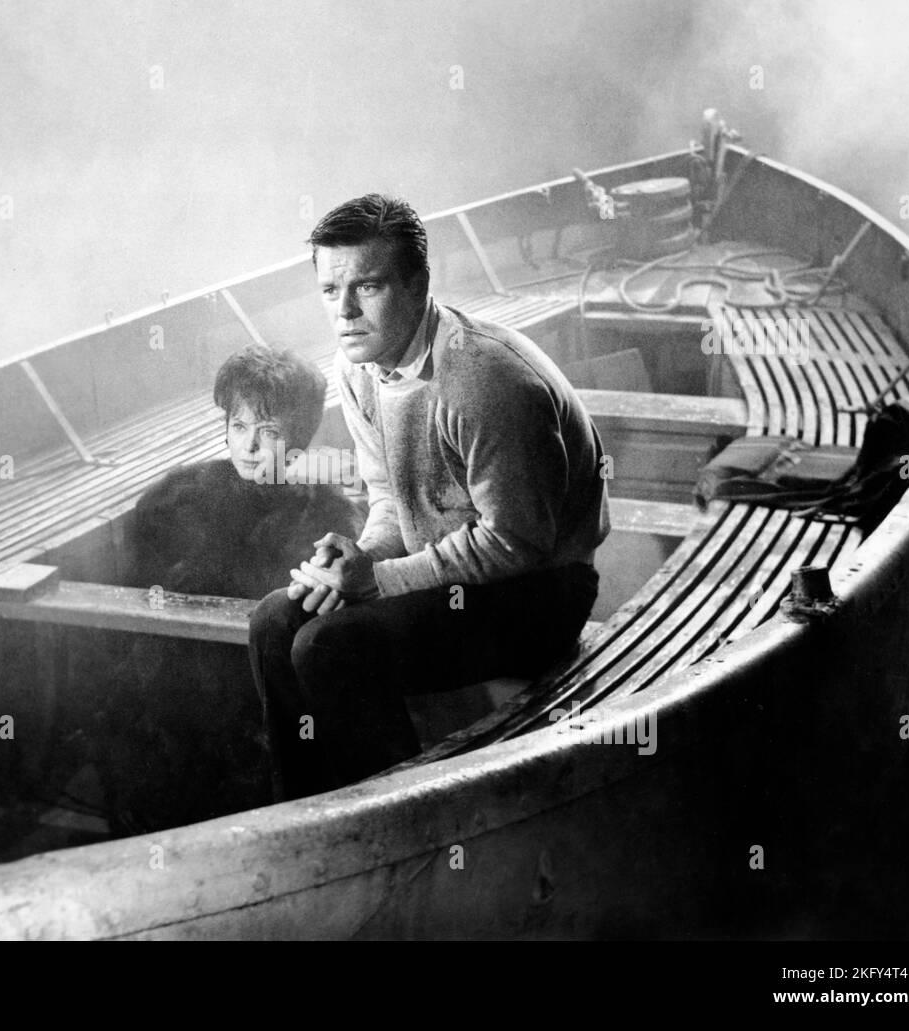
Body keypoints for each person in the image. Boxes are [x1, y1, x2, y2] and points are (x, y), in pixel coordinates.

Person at [249, 193, 611, 800]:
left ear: (418, 283)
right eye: (329, 290)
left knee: (331, 647)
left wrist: (379, 581)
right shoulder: (357, 366)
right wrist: (353, 564)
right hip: (454, 577)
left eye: (367, 287)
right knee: (275, 621)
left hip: (542, 590)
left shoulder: (484, 381)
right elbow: (389, 495)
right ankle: (304, 811)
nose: (344, 311)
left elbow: (518, 541)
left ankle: (404, 816)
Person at [94, 344, 364, 831]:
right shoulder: (172, 498)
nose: (250, 447)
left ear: (299, 441)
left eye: (268, 432)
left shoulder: (329, 520)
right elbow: (130, 607)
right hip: (167, 691)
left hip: (259, 698)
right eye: (238, 427)